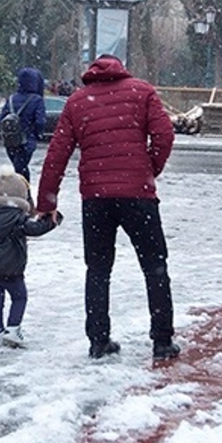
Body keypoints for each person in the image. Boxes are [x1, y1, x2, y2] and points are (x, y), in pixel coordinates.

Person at [36, 54, 179, 362]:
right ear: (121, 70)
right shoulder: (142, 92)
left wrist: (46, 201)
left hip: (96, 199)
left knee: (98, 269)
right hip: (139, 196)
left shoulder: (77, 102)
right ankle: (162, 340)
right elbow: (165, 135)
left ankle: (99, 340)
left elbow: (57, 154)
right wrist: (149, 168)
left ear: (90, 74)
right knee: (155, 266)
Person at [0, 166, 61, 348]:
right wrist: (53, 220)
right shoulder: (17, 218)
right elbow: (36, 229)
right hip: (12, 269)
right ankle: (13, 329)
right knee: (19, 297)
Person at [0, 67, 47, 183]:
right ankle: (23, 195)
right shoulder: (37, 99)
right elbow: (40, 121)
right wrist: (37, 134)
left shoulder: (11, 98)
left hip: (10, 141)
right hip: (27, 141)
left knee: (19, 168)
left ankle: (20, 194)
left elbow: (1, 118)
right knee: (21, 170)